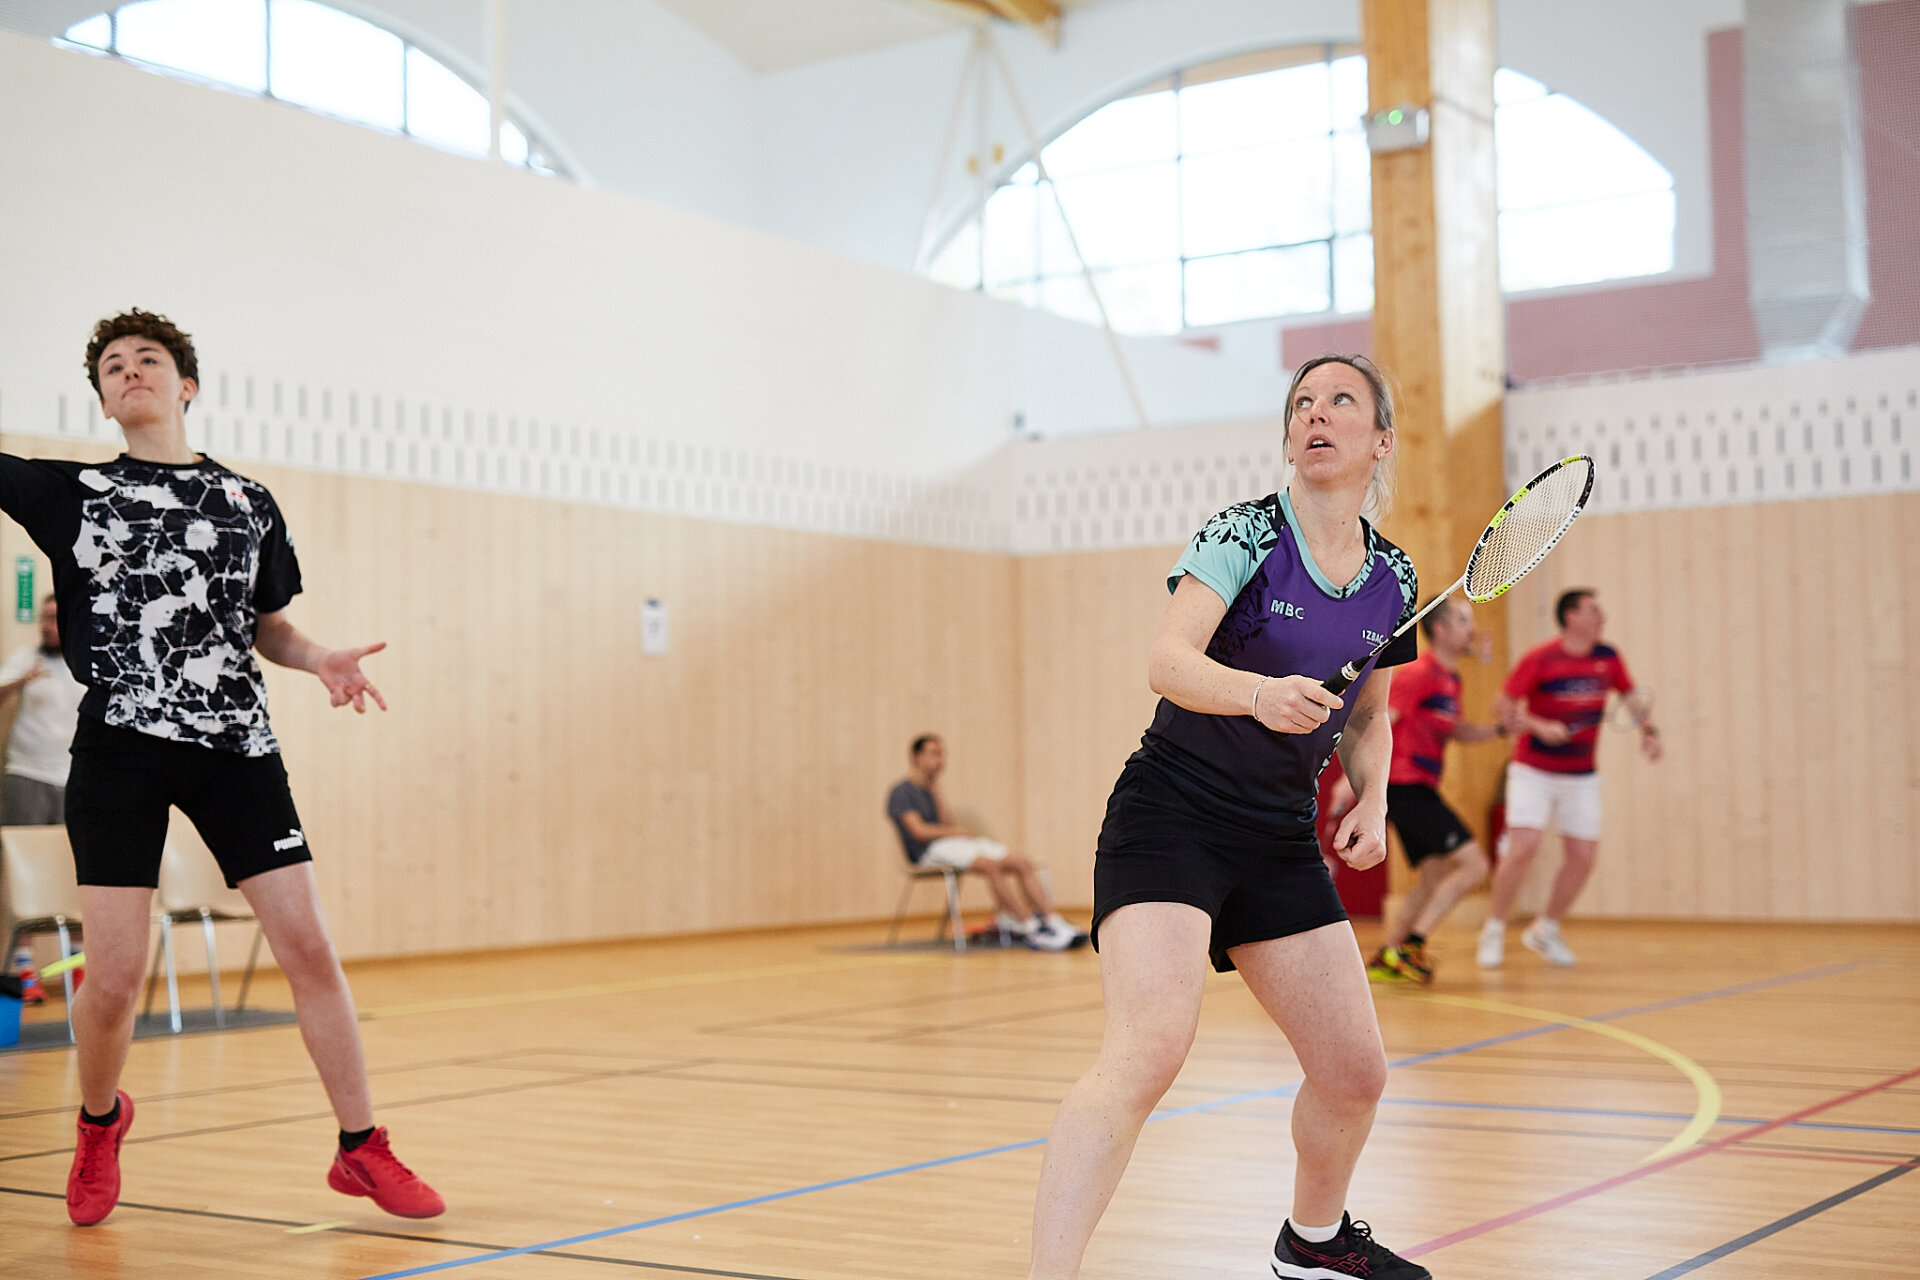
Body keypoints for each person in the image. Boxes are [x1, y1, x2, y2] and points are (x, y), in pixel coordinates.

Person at [0, 310, 443, 1226]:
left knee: (308, 948)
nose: (130, 371)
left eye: (147, 359)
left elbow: (268, 627)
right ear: (103, 400)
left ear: (186, 385)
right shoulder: (72, 492)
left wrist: (318, 658)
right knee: (113, 976)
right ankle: (99, 1121)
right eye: (112, 366)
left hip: (237, 748)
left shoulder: (247, 502)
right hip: (120, 748)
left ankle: (360, 1147)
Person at [1026, 354, 1429, 1280]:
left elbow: (1368, 713)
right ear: (1288, 436)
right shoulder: (1245, 533)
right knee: (1148, 1050)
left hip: (1278, 835)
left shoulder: (1395, 577)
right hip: (1172, 814)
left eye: (1340, 401)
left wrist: (1373, 794)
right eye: (1301, 403)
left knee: (1354, 1072)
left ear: (1381, 441)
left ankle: (1312, 1243)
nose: (1315, 414)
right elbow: (1168, 662)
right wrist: (1256, 694)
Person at [1476, 588, 1660, 968]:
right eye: (1594, 610)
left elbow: (1631, 698)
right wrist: (1538, 725)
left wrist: (1649, 732)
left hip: (1581, 775)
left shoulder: (1608, 658)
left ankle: (1546, 929)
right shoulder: (1541, 658)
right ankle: (1494, 927)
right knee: (1523, 847)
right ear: (1571, 617)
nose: (1602, 616)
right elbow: (1502, 706)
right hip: (1533, 770)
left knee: (1583, 857)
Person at [1352, 598, 1505, 984]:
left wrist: (1502, 730)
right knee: (1475, 865)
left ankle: (1389, 953)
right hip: (1405, 785)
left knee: (1434, 874)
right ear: (1440, 630)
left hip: (1420, 786)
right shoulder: (1419, 673)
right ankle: (1411, 946)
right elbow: (1383, 720)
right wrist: (1349, 782)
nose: (1472, 630)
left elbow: (1457, 730)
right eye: (1463, 621)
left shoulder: (1451, 680)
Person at [887, 734, 1086, 950]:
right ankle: (1029, 925)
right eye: (934, 754)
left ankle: (1051, 920)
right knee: (991, 866)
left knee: (1021, 861)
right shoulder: (901, 792)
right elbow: (919, 831)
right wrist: (956, 832)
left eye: (942, 754)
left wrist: (937, 791)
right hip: (928, 851)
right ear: (917, 757)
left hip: (951, 843)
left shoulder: (931, 789)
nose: (940, 760)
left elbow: (946, 822)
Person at [0, 593, 85, 825]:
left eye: (53, 619)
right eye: (44, 618)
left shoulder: (85, 665)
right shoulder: (26, 658)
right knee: (22, 843)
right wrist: (20, 682)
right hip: (27, 772)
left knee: (66, 846)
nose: (46, 627)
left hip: (73, 776)